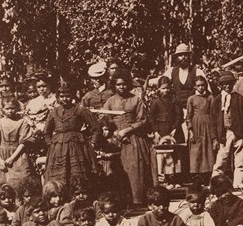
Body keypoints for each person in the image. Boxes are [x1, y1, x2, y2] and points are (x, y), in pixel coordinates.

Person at [103, 70, 155, 206]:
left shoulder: (135, 99)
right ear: (114, 85)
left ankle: (138, 200)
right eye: (118, 85)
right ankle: (122, 202)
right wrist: (114, 132)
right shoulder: (110, 102)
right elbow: (106, 121)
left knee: (135, 169)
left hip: (134, 139)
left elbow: (143, 120)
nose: (121, 87)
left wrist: (127, 130)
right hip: (116, 140)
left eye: (124, 84)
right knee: (118, 170)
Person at [44, 82, 101, 196]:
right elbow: (46, 131)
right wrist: (51, 144)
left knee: (78, 172)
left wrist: (92, 143)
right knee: (59, 175)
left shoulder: (80, 110)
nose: (65, 99)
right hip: (58, 149)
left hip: (77, 147)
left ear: (73, 96)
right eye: (62, 96)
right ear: (58, 97)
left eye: (68, 96)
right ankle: (61, 197)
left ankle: (79, 197)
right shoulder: (54, 112)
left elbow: (96, 127)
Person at [211, 71, 243, 187]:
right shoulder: (217, 100)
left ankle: (238, 186)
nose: (228, 86)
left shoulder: (239, 99)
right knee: (220, 162)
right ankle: (215, 186)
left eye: (230, 83)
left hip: (238, 134)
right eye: (225, 84)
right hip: (224, 134)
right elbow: (213, 121)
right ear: (221, 85)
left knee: (239, 162)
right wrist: (215, 138)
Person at [0, 97, 36, 191]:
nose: (10, 111)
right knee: (0, 185)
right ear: (3, 109)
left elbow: (24, 142)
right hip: (1, 156)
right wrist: (0, 159)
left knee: (20, 183)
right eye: (7, 109)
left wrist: (11, 158)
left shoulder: (22, 122)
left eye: (12, 108)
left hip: (18, 155)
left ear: (17, 108)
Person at [168, 43, 207, 141]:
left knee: (193, 137)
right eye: (180, 55)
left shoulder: (197, 71)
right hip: (177, 112)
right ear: (176, 57)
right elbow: (160, 81)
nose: (183, 57)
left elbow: (207, 91)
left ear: (189, 56)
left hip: (193, 112)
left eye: (185, 55)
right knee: (178, 139)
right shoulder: (172, 71)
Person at [186, 76, 216, 182]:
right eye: (198, 85)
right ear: (195, 86)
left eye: (202, 85)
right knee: (196, 152)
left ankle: (207, 177)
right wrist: (190, 131)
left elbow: (214, 113)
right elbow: (188, 116)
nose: (201, 88)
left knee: (207, 151)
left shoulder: (210, 97)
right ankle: (196, 177)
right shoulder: (191, 99)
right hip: (196, 126)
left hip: (208, 126)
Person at [149, 76, 183, 144]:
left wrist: (175, 128)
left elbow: (179, 116)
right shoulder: (155, 102)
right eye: (163, 88)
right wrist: (155, 132)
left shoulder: (175, 101)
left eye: (168, 88)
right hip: (161, 130)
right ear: (159, 89)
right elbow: (152, 118)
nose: (166, 90)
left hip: (174, 130)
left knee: (176, 150)